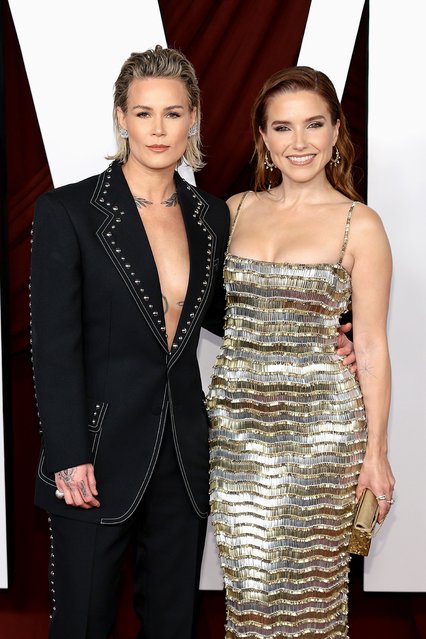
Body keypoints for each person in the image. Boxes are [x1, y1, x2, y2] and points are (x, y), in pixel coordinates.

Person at [30, 45, 231, 639]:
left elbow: (221, 313)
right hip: (94, 451)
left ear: (193, 116)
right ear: (121, 117)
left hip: (182, 452)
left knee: (173, 623)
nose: (158, 129)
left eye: (173, 113)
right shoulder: (68, 210)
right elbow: (52, 343)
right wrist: (68, 451)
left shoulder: (209, 215)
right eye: (144, 113)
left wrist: (325, 337)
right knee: (82, 622)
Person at [206, 66, 395, 638]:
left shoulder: (358, 225)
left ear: (337, 130)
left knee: (311, 596)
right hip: (236, 432)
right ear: (263, 137)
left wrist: (376, 454)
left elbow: (370, 344)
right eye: (283, 128)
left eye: (314, 125)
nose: (300, 142)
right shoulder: (234, 210)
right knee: (249, 591)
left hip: (323, 435)